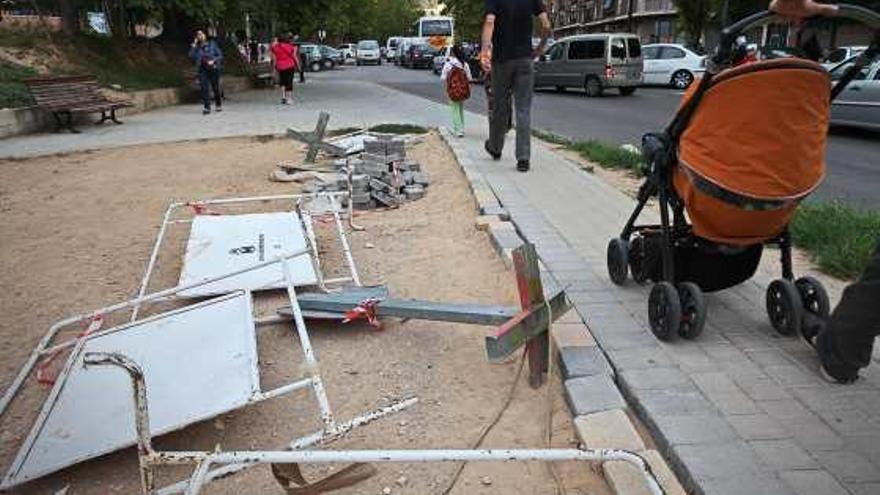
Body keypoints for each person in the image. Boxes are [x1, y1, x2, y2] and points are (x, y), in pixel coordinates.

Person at [480, 0, 551, 172]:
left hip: (502, 61)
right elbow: (546, 24)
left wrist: (484, 51)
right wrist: (541, 47)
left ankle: (496, 148)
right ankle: (523, 158)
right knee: (523, 109)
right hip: (525, 60)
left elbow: (490, 22)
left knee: (500, 107)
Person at [441, 45, 473, 138]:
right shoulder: (464, 64)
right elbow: (469, 78)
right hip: (462, 90)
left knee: (454, 109)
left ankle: (457, 130)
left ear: (452, 53)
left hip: (452, 90)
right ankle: (462, 129)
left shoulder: (448, 64)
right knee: (460, 109)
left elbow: (443, 77)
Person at [189, 29, 223, 115]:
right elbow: (191, 56)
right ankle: (207, 107)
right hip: (202, 69)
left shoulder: (212, 44)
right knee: (204, 88)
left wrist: (213, 60)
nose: (200, 36)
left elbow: (220, 55)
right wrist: (194, 44)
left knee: (215, 87)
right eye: (198, 35)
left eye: (201, 34)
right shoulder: (197, 47)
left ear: (205, 35)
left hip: (213, 68)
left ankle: (218, 104)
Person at [270, 35, 299, 105]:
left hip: (280, 66)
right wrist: (298, 65)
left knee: (282, 81)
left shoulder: (274, 48)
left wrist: (274, 68)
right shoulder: (290, 46)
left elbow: (274, 59)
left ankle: (283, 97)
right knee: (289, 82)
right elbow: (294, 56)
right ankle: (289, 99)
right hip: (290, 66)